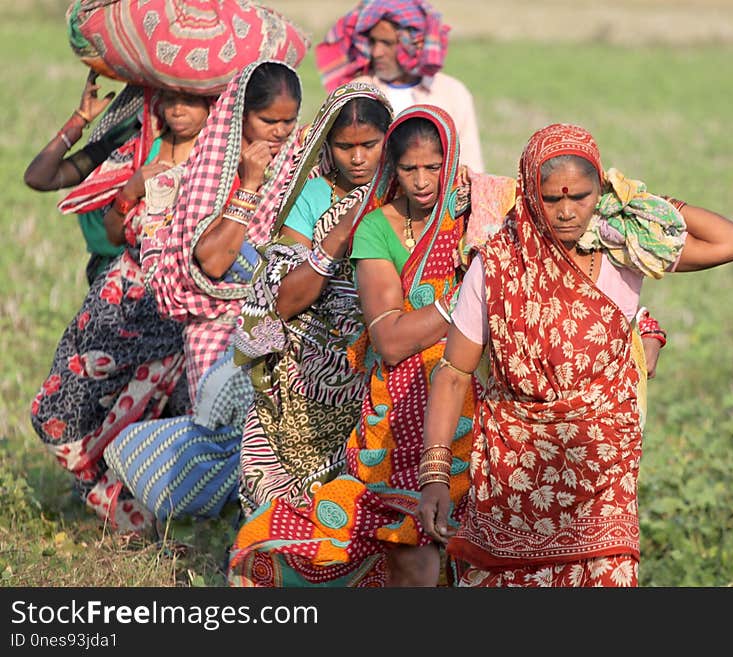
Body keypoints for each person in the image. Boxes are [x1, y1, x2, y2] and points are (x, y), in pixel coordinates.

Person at [416, 122, 733, 587]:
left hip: (603, 481)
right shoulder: (495, 266)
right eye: (553, 199)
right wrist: (434, 474)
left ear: (601, 192)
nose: (568, 212)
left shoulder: (623, 251)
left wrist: (645, 205)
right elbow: (453, 373)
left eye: (582, 196)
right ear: (531, 194)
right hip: (515, 479)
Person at [227, 104, 472, 587]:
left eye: (432, 167)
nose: (422, 181)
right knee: (400, 537)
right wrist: (467, 303)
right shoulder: (372, 223)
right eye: (409, 168)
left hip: (463, 393)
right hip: (375, 392)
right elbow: (389, 337)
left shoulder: (474, 214)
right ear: (394, 168)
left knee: (459, 535)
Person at [104, 60, 305, 527]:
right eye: (267, 121)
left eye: (287, 122)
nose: (278, 133)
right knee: (230, 438)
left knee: (277, 444)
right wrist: (250, 187)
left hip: (279, 320)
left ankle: (263, 543)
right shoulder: (212, 171)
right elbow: (212, 262)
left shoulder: (298, 166)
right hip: (216, 328)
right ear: (240, 116)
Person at [30, 88, 213, 533]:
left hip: (182, 312)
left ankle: (159, 522)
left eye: (191, 99)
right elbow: (110, 230)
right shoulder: (136, 146)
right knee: (62, 408)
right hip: (119, 305)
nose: (178, 110)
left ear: (214, 102)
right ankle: (111, 501)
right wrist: (132, 186)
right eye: (170, 99)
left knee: (169, 415)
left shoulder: (222, 158)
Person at [232, 82, 394, 518]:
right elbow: (283, 300)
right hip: (303, 369)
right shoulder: (315, 194)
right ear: (328, 143)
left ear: (390, 139)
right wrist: (339, 234)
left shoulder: (407, 193)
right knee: (267, 485)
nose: (358, 159)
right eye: (345, 147)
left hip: (377, 361)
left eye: (370, 145)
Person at [316, 0, 485, 172]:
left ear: (412, 46)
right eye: (373, 42)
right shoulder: (358, 91)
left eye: (387, 43)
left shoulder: (452, 93)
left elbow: (471, 166)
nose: (376, 52)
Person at [24, 69, 144, 283]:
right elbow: (39, 177)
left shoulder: (198, 153)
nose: (174, 108)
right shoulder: (116, 147)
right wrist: (79, 119)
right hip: (109, 280)